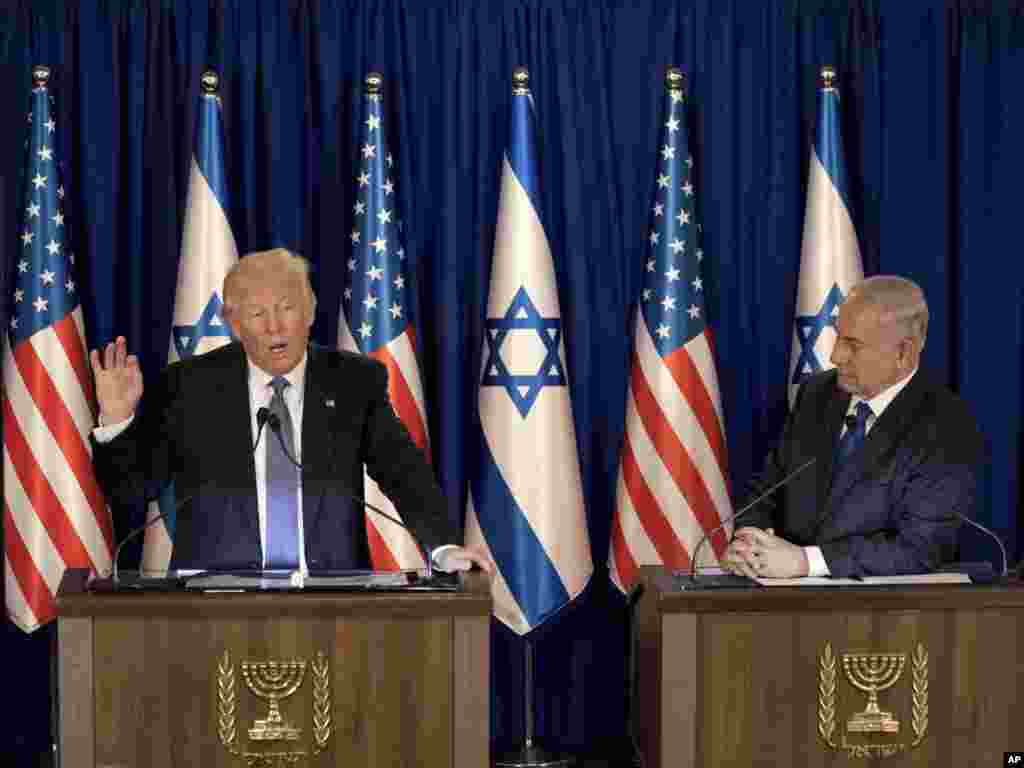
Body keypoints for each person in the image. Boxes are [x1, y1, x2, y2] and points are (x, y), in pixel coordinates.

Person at [90, 247, 491, 575]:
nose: (275, 327)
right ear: (233, 323)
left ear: (311, 311)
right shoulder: (189, 386)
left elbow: (405, 474)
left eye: (287, 308)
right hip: (213, 606)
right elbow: (131, 493)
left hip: (332, 604)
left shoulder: (353, 382)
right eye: (257, 314)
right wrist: (117, 420)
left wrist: (444, 546)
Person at [723, 275, 983, 579]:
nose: (835, 356)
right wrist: (749, 542)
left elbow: (921, 549)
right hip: (786, 608)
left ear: (903, 352)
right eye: (838, 337)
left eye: (853, 345)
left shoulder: (946, 424)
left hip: (886, 616)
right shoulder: (816, 395)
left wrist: (806, 561)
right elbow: (765, 490)